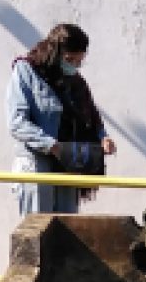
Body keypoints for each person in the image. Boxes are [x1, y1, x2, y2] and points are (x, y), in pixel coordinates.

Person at [7, 23, 115, 216]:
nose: (73, 66)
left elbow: (91, 116)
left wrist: (103, 138)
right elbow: (17, 122)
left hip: (68, 163)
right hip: (36, 164)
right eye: (69, 60)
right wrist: (52, 146)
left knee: (67, 227)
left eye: (78, 61)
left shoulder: (76, 82)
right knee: (39, 228)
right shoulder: (26, 71)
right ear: (54, 52)